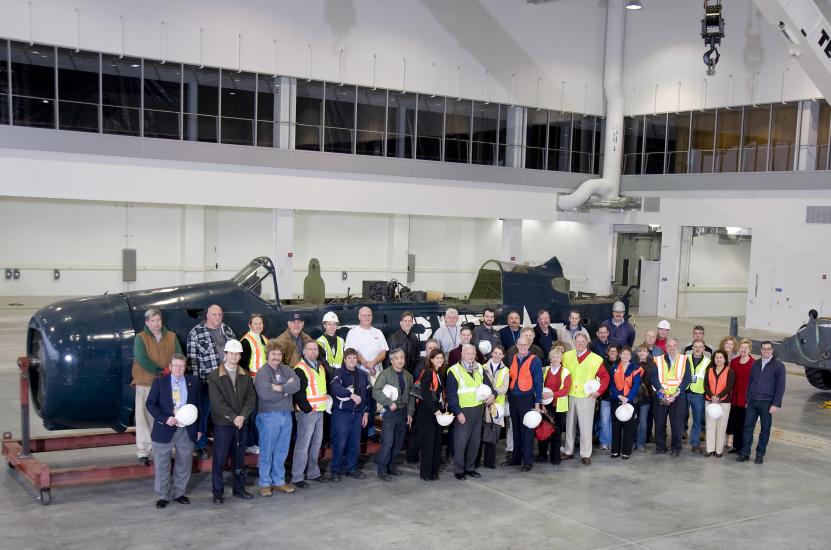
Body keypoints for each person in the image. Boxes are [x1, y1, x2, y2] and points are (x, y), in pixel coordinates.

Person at [145, 353, 200, 508]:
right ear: (170, 367)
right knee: (162, 465)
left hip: (186, 430)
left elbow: (200, 407)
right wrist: (164, 418)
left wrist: (200, 428)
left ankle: (179, 493)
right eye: (175, 365)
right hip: (164, 429)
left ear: (185, 367)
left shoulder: (193, 382)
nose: (178, 368)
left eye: (181, 366)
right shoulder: (159, 383)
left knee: (184, 463)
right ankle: (163, 495)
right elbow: (150, 404)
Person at [132, 308, 183, 466]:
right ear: (147, 322)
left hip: (168, 384)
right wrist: (161, 370)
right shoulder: (140, 338)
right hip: (145, 382)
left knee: (168, 416)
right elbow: (141, 358)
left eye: (158, 320)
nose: (156, 323)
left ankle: (168, 450)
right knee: (143, 418)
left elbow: (179, 355)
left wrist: (174, 369)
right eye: (152, 321)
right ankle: (144, 452)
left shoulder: (172, 336)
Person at [207, 339, 256, 503]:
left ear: (240, 356)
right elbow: (217, 402)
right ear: (225, 354)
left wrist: (242, 416)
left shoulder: (245, 375)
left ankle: (239, 489)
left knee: (239, 460)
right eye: (231, 353)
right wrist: (233, 417)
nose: (234, 356)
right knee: (219, 460)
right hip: (224, 425)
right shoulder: (215, 376)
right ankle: (218, 492)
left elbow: (251, 398)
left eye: (237, 354)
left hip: (241, 424)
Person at [186, 304, 236, 460]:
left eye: (220, 315)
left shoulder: (228, 330)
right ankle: (199, 446)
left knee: (226, 415)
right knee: (203, 414)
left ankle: (227, 446)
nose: (217, 318)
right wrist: (195, 384)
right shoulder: (196, 333)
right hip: (206, 382)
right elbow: (192, 360)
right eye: (214, 315)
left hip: (227, 381)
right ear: (207, 316)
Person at [253, 342, 300, 496]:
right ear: (268, 355)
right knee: (267, 450)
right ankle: (265, 483)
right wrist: (286, 389)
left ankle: (279, 481)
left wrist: (279, 387)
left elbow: (297, 385)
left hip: (286, 414)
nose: (276, 357)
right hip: (268, 415)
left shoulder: (287, 370)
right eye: (273, 354)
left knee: (282, 450)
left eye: (279, 354)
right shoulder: (262, 373)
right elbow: (265, 394)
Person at [446, 344, 494, 480]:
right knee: (461, 442)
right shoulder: (453, 371)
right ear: (462, 354)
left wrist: (492, 395)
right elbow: (451, 395)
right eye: (468, 353)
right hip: (463, 411)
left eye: (473, 353)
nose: (470, 356)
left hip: (478, 409)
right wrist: (458, 412)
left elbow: (488, 385)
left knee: (475, 441)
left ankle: (470, 468)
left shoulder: (479, 367)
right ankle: (459, 470)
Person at [562, 333, 608, 465]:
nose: (580, 344)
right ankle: (568, 450)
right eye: (578, 341)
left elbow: (605, 377)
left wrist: (598, 392)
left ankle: (585, 453)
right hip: (570, 395)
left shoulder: (596, 359)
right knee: (569, 425)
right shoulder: (567, 356)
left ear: (587, 342)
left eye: (583, 341)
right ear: (574, 342)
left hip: (587, 397)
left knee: (586, 426)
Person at [737, 341, 786, 465]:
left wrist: (776, 404)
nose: (766, 351)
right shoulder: (756, 364)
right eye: (764, 349)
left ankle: (759, 454)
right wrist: (747, 399)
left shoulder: (779, 366)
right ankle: (745, 453)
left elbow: (780, 387)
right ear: (761, 350)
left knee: (765, 430)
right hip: (752, 401)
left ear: (772, 350)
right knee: (748, 427)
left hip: (767, 402)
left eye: (768, 349)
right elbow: (750, 382)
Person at [329, 348, 372, 482]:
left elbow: (368, 396)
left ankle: (351, 468)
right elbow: (335, 388)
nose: (352, 360)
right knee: (339, 443)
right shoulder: (339, 372)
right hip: (342, 414)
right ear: (345, 359)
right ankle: (335, 470)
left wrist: (365, 412)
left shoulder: (363, 375)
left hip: (358, 414)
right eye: (349, 358)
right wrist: (351, 395)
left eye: (354, 358)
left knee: (354, 443)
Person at [291, 340, 330, 487]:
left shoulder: (320, 367)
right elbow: (298, 393)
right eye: (310, 349)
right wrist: (307, 409)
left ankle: (313, 473)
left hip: (320, 411)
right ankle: (297, 477)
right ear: (304, 352)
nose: (313, 352)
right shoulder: (300, 368)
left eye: (315, 349)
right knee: (303, 445)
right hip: (307, 413)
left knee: (316, 444)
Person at [372, 349, 414, 481]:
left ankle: (391, 466)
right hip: (390, 413)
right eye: (396, 358)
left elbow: (411, 396)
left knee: (398, 442)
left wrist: (410, 413)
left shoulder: (408, 375)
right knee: (388, 442)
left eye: (402, 357)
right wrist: (389, 402)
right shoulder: (385, 374)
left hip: (402, 412)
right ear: (391, 360)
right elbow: (376, 391)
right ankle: (382, 469)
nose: (400, 360)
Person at [506, 337, 544, 471]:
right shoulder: (514, 358)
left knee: (527, 430)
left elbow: (539, 383)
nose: (522, 347)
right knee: (515, 429)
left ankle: (527, 461)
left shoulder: (535, 360)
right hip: (513, 399)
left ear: (529, 345)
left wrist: (538, 402)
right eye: (520, 344)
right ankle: (516, 458)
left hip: (527, 398)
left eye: (525, 345)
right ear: (516, 345)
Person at [652, 338, 689, 457]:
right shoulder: (658, 360)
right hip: (661, 396)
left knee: (677, 425)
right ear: (666, 347)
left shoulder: (684, 360)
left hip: (677, 397)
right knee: (659, 423)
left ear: (677, 347)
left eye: (674, 346)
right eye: (669, 346)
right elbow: (653, 377)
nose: (672, 348)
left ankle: (676, 448)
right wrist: (660, 390)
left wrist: (677, 392)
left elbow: (687, 377)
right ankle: (660, 447)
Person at [240, 313, 269, 455]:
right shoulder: (246, 341)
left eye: (261, 323)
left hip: (263, 382)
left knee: (260, 414)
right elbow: (243, 365)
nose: (259, 325)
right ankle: (250, 443)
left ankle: (257, 441)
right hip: (252, 383)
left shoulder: (263, 339)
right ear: (249, 325)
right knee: (252, 414)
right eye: (255, 323)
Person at [415, 349, 447, 481]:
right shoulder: (428, 372)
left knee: (437, 443)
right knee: (429, 444)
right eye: (437, 358)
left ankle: (434, 472)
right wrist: (436, 411)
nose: (439, 360)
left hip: (437, 412)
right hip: (429, 413)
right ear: (431, 359)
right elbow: (426, 395)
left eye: (441, 358)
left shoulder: (439, 373)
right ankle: (426, 473)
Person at [609, 347, 642, 460]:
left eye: (628, 354)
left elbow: (636, 385)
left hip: (629, 402)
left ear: (631, 356)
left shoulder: (635, 368)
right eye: (623, 354)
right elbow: (611, 385)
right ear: (619, 355)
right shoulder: (614, 368)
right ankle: (615, 450)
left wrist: (627, 398)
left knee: (628, 427)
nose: (626, 356)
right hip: (616, 400)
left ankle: (626, 451)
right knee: (616, 426)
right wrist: (619, 396)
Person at [480, 345, 509, 469]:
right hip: (484, 404)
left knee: (493, 433)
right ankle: (476, 460)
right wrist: (486, 397)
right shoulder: (482, 367)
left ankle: (489, 462)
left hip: (497, 406)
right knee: (482, 431)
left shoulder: (505, 370)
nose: (497, 355)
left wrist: (493, 395)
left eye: (500, 354)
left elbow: (505, 387)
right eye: (495, 353)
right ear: (492, 353)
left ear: (503, 356)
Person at [541, 348, 571, 465]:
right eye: (553, 357)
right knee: (543, 430)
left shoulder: (566, 372)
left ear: (561, 359)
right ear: (550, 358)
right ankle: (542, 455)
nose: (555, 359)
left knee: (556, 432)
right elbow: (539, 387)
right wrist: (541, 403)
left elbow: (566, 390)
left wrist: (552, 394)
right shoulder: (544, 370)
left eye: (558, 357)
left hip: (559, 406)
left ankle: (555, 456)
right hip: (545, 406)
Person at [704, 349, 735, 458]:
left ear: (725, 359)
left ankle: (718, 450)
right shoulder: (709, 370)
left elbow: (729, 387)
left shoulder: (729, 371)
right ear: (714, 359)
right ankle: (710, 449)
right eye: (716, 357)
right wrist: (712, 396)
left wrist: (718, 396)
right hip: (710, 401)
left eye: (721, 357)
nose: (719, 359)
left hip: (724, 403)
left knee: (721, 427)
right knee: (710, 425)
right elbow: (706, 386)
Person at [345, 307, 389, 380]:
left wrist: (373, 363)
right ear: (359, 317)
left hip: (377, 374)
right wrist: (364, 362)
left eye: (369, 315)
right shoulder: (352, 333)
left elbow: (383, 353)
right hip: (358, 374)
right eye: (364, 315)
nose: (367, 317)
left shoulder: (378, 332)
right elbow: (350, 352)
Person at [727, 338, 754, 454]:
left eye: (746, 348)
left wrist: (750, 399)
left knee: (744, 425)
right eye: (741, 347)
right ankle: (736, 446)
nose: (743, 350)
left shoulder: (754, 363)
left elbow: (754, 382)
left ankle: (743, 448)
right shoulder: (733, 362)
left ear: (749, 350)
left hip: (745, 399)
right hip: (734, 399)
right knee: (735, 424)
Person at [685, 339, 711, 454]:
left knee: (697, 420)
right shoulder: (685, 359)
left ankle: (695, 444)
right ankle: (676, 442)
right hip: (684, 393)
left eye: (700, 346)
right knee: (680, 418)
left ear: (704, 348)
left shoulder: (708, 362)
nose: (698, 348)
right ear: (692, 347)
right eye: (696, 346)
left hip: (699, 395)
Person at [596, 345, 619, 451]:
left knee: (613, 420)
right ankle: (604, 441)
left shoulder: (620, 364)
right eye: (611, 351)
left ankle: (612, 442)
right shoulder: (602, 363)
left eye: (615, 351)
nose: (613, 353)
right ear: (608, 352)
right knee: (604, 420)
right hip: (605, 396)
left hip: (616, 397)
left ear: (618, 353)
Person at [634, 344, 656, 451]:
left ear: (648, 353)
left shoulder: (652, 366)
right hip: (634, 397)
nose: (642, 353)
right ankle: (633, 441)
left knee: (643, 421)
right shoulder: (633, 364)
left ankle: (641, 443)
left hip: (646, 398)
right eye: (640, 351)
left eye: (644, 351)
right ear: (637, 353)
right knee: (634, 421)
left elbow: (653, 381)